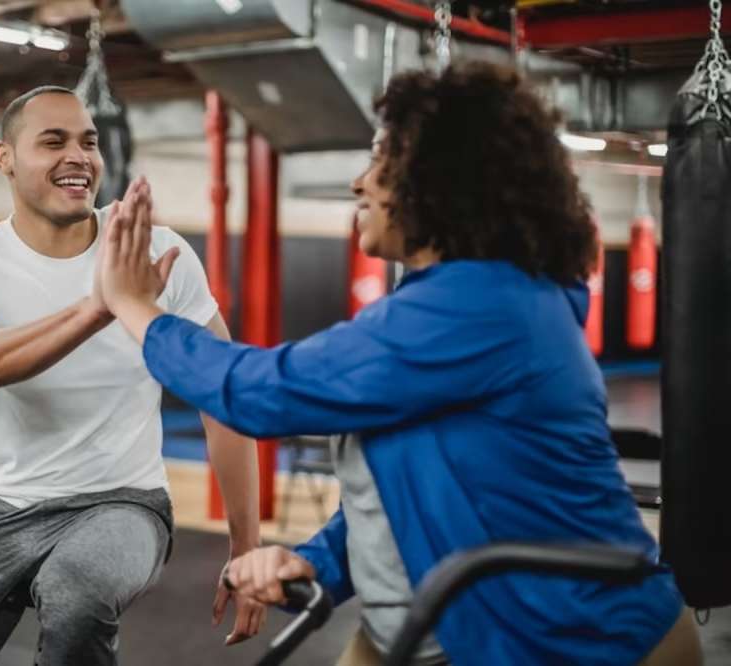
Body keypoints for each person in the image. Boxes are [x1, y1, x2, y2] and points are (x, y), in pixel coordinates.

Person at [96, 63, 703, 666]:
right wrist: (318, 563)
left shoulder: (479, 305)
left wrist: (137, 308)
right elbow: (399, 484)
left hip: (575, 644)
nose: (360, 184)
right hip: (436, 628)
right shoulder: (464, 303)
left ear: (440, 181)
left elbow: (259, 392)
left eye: (382, 162)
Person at [0, 86, 265, 666]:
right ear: (5, 158)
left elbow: (223, 397)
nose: (78, 155)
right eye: (53, 141)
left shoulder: (154, 251)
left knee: (77, 592)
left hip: (123, 505)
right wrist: (103, 306)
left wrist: (247, 546)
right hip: (1, 510)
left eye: (89, 141)